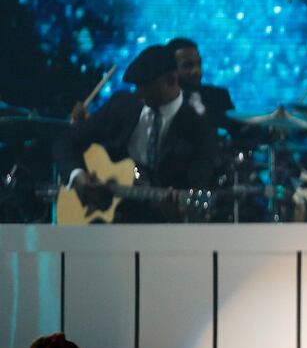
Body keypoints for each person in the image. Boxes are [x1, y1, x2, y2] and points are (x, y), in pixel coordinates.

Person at [55, 44, 220, 222]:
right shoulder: (123, 107)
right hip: (112, 224)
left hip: (159, 229)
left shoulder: (199, 129)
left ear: (171, 80)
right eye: (137, 86)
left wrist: (179, 213)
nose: (139, 93)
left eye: (146, 86)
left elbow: (197, 186)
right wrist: (78, 178)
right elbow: (66, 139)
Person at [166, 37, 238, 134]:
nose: (196, 71)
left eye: (199, 63)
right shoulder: (161, 103)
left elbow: (239, 131)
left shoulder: (219, 97)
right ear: (170, 69)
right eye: (187, 65)